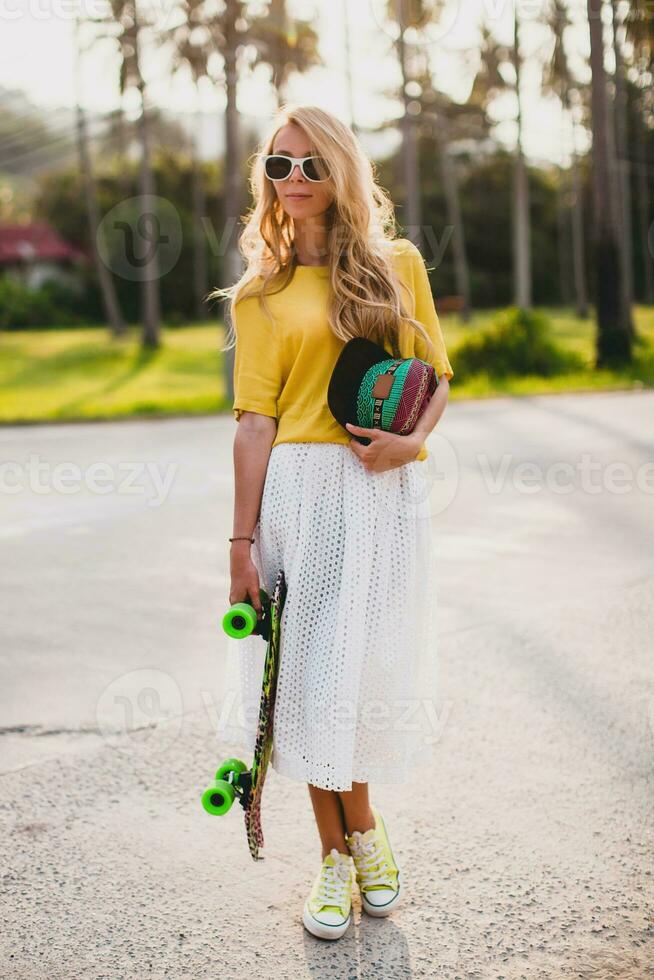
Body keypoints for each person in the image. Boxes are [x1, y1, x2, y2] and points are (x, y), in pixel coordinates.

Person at [212, 103, 453, 941]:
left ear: (342, 169)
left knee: (363, 670)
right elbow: (254, 423)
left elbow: (435, 375)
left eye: (312, 164)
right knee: (309, 679)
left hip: (381, 490)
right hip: (300, 495)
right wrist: (240, 545)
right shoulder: (262, 294)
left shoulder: (397, 266)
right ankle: (338, 857)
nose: (295, 181)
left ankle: (365, 829)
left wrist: (410, 446)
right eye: (279, 166)